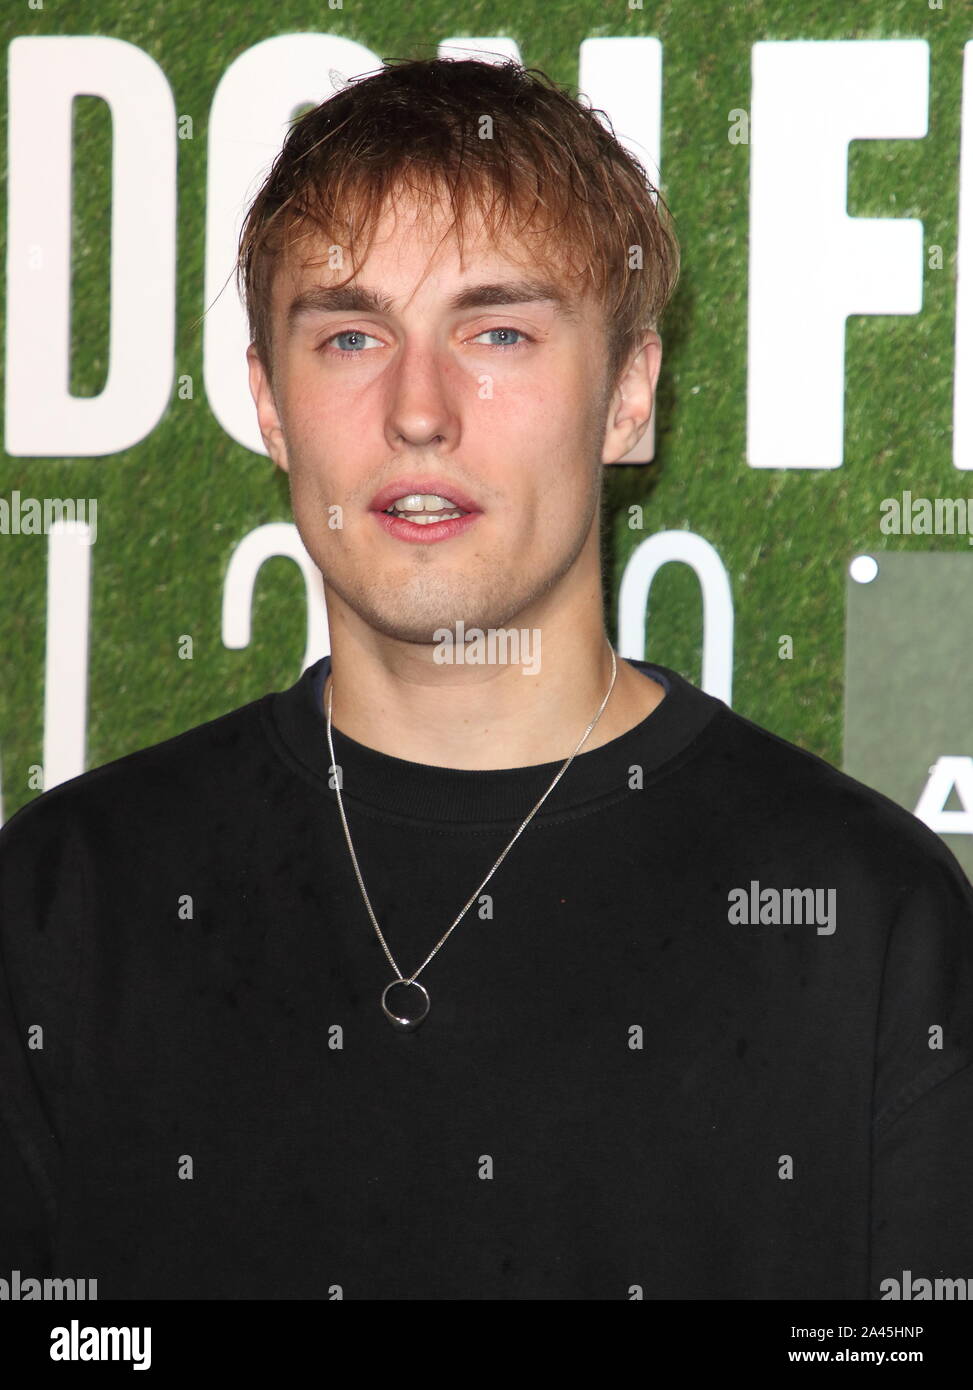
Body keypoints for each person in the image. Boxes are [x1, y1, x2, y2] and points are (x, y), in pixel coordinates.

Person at [1, 56, 971, 1301]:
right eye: (351, 335)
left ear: (627, 395)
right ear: (270, 403)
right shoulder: (69, 901)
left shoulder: (859, 915)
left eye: (497, 331)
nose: (418, 410)